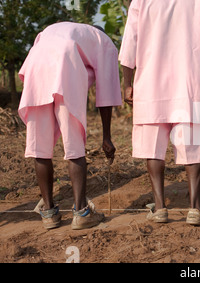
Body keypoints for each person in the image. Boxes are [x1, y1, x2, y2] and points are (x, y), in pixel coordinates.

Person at [119, 0, 200, 225]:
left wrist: (127, 83)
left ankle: (160, 208)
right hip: (187, 84)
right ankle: (194, 210)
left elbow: (129, 44)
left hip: (150, 85)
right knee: (192, 145)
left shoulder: (141, 1)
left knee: (153, 148)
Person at [18, 22, 122, 230]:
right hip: (65, 65)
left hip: (35, 66)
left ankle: (48, 213)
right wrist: (107, 137)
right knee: (74, 145)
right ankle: (82, 212)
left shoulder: (56, 29)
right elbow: (107, 91)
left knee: (41, 147)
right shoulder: (105, 42)